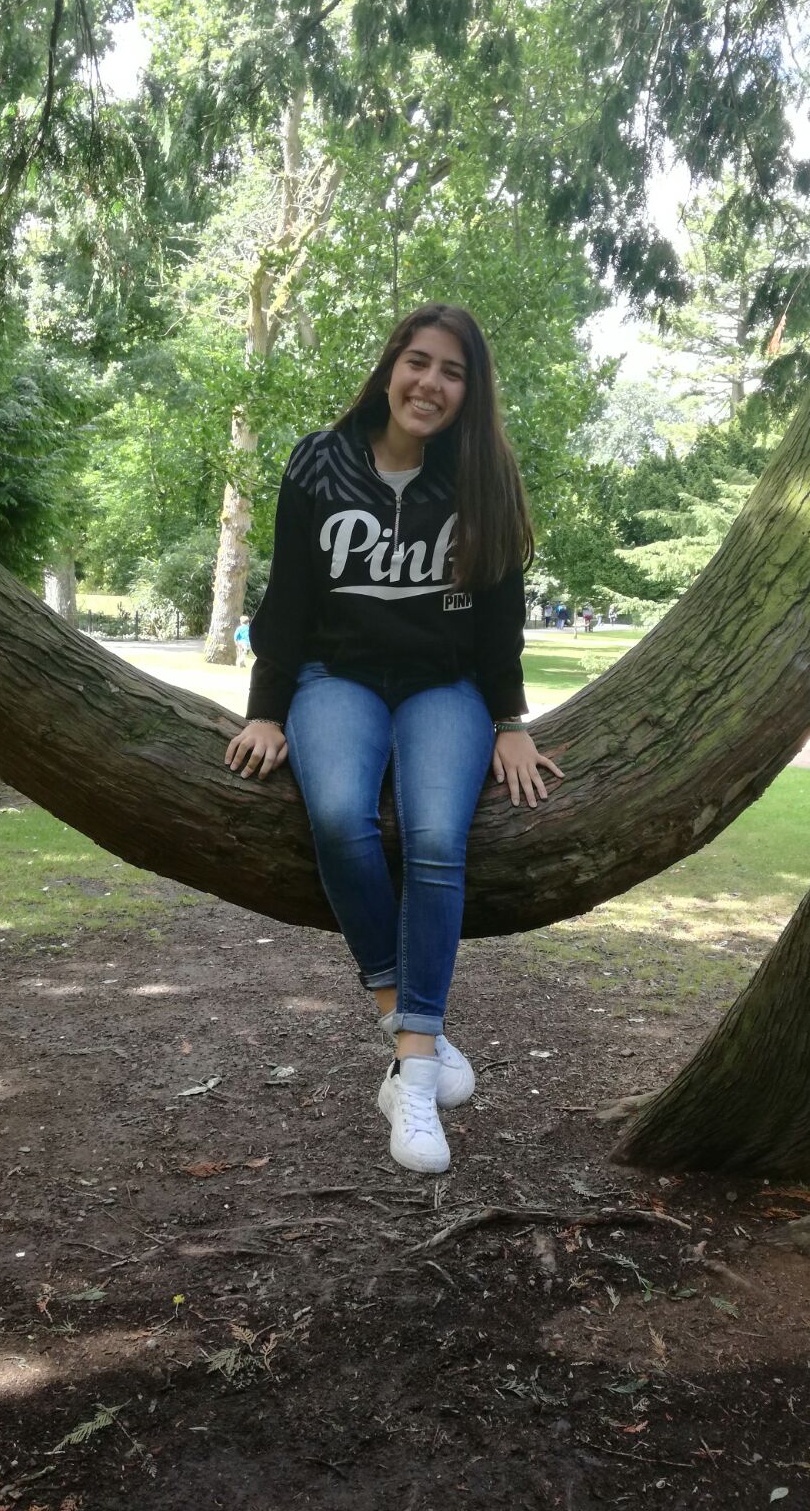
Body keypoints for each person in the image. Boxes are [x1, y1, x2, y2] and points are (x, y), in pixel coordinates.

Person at [224, 303, 563, 1174]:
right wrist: (265, 709)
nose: (431, 383)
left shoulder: (483, 476)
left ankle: (411, 1082)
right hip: (335, 679)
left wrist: (510, 722)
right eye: (419, 362)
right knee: (341, 816)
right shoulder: (318, 460)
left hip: (444, 687)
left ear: (470, 391)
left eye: (453, 371)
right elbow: (288, 598)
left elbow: (502, 616)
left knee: (437, 837)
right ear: (389, 368)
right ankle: (409, 1027)